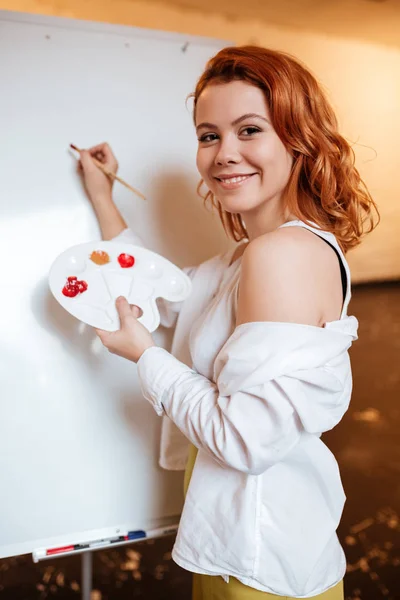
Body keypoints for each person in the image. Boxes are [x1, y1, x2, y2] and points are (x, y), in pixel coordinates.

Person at [78, 46, 378, 600]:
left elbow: (243, 441)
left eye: (249, 130)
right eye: (209, 135)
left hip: (260, 564)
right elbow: (162, 289)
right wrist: (103, 193)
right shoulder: (252, 254)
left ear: (298, 139)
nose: (223, 154)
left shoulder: (279, 255)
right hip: (240, 542)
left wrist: (146, 356)